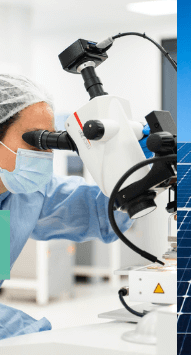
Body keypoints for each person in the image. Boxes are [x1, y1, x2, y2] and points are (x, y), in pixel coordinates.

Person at [0, 74, 133, 340]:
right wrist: (26, 336)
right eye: (34, 141)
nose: (46, 155)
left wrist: (140, 175)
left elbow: (97, 211)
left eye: (49, 142)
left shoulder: (22, 194)